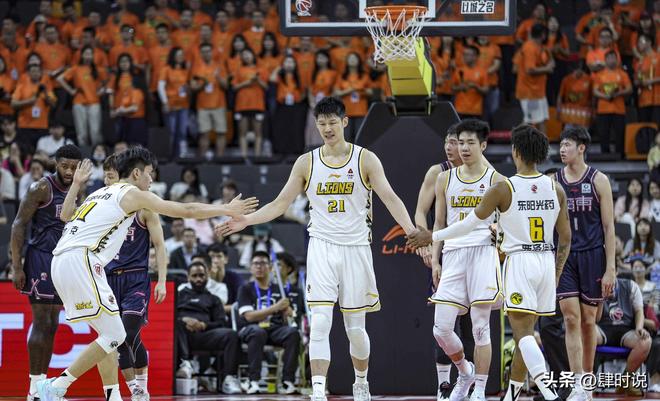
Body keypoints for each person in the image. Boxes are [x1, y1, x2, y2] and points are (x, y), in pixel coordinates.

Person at [217, 97, 419, 401]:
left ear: (345, 122)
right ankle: (318, 391)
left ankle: (361, 382)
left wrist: (411, 230)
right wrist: (246, 220)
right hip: (322, 246)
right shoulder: (306, 162)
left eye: (332, 122)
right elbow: (280, 204)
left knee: (355, 328)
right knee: (321, 321)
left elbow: (390, 197)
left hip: (355, 247)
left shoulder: (365, 159)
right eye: (321, 123)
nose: (327, 128)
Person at [36, 147, 258, 401]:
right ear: (137, 173)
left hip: (61, 261)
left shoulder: (99, 193)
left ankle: (112, 395)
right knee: (115, 335)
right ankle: (56, 387)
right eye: (150, 173)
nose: (152, 179)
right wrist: (227, 208)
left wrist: (76, 185)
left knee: (108, 335)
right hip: (82, 260)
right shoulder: (132, 194)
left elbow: (65, 215)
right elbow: (186, 210)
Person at [408, 124, 571, 401]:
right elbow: (566, 238)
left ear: (515, 151)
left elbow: (469, 223)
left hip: (517, 260)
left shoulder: (502, 186)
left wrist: (431, 236)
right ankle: (509, 393)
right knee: (524, 334)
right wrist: (556, 274)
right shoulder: (556, 188)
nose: (463, 147)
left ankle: (547, 392)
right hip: (545, 260)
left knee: (521, 336)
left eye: (469, 142)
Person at [59, 156, 167, 399]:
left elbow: (160, 245)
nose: (106, 181)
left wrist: (162, 280)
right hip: (105, 275)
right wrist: (76, 185)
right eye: (105, 176)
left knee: (127, 332)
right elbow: (66, 216)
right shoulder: (101, 201)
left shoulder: (141, 205)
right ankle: (129, 389)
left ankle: (139, 388)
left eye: (110, 176)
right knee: (114, 337)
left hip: (135, 277)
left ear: (123, 176)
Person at [425, 119, 504, 401]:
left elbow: (507, 222)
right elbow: (439, 222)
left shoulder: (496, 180)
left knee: (480, 327)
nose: (464, 148)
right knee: (441, 328)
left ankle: (479, 390)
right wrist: (436, 261)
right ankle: (465, 371)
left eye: (471, 142)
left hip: (482, 252)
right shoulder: (445, 178)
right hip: (452, 254)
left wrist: (499, 231)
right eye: (460, 142)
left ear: (483, 145)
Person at [9, 144, 81, 401]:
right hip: (40, 258)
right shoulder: (41, 188)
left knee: (53, 324)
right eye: (65, 166)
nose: (69, 171)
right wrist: (17, 266)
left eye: (74, 167)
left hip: (62, 261)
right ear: (56, 163)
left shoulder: (77, 189)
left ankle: (42, 387)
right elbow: (18, 225)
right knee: (41, 322)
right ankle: (34, 388)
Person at [413, 123, 475, 401]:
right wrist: (427, 246)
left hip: (475, 254)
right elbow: (420, 212)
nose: (450, 148)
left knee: (474, 323)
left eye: (456, 142)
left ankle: (471, 384)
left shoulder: (483, 175)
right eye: (448, 142)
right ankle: (444, 384)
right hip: (447, 254)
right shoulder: (438, 173)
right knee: (444, 325)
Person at [556, 127, 616, 401]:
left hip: (593, 255)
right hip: (565, 255)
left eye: (567, 144)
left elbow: (609, 227)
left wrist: (611, 268)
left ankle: (588, 382)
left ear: (581, 148)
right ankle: (578, 382)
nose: (562, 149)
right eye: (560, 145)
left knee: (588, 321)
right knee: (570, 318)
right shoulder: (554, 181)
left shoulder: (598, 180)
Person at [237, 251, 301, 394]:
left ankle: (287, 381)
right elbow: (249, 317)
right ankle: (253, 380)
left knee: (292, 333)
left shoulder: (279, 290)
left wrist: (289, 312)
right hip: (250, 329)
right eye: (255, 263)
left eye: (263, 263)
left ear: (271, 267)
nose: (259, 267)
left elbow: (288, 316)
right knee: (257, 332)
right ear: (250, 268)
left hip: (273, 330)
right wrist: (275, 307)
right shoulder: (245, 289)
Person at [176, 261, 242, 394]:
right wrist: (183, 320)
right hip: (182, 335)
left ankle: (229, 379)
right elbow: (168, 316)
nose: (198, 279)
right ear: (188, 277)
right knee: (176, 323)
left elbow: (221, 322)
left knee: (232, 335)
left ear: (207, 276)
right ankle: (185, 364)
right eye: (194, 276)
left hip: (205, 335)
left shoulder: (214, 299)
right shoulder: (178, 296)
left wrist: (203, 325)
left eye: (202, 275)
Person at [596, 274, 651, 397]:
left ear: (615, 271)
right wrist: (600, 297)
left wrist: (639, 327)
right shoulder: (594, 286)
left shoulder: (631, 286)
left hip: (625, 330)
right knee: (585, 334)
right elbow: (594, 318)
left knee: (645, 341)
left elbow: (639, 311)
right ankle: (586, 378)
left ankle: (626, 380)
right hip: (601, 328)